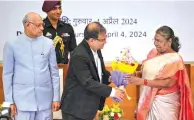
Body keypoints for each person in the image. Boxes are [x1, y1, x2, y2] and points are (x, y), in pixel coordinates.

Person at [124, 26, 194, 120]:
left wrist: (142, 81)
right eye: (155, 40)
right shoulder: (154, 53)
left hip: (164, 105)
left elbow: (168, 83)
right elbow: (149, 73)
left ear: (169, 41)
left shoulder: (175, 59)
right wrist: (136, 75)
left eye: (159, 41)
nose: (156, 44)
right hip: (149, 102)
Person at [60, 22, 125, 120]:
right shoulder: (79, 55)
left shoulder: (96, 49)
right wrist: (112, 92)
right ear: (91, 40)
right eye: (102, 39)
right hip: (75, 109)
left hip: (87, 107)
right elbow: (88, 82)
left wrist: (113, 77)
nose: (105, 42)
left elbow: (100, 73)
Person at [2, 12, 60, 120]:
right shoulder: (11, 44)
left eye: (42, 24)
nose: (42, 28)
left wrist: (56, 98)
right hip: (22, 103)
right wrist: (9, 101)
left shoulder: (48, 43)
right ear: (28, 25)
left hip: (45, 101)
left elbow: (54, 73)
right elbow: (7, 75)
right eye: (38, 25)